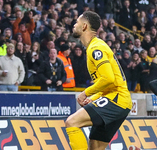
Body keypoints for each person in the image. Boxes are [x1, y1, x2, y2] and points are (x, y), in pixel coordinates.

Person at [65, 11, 132, 150]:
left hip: (117, 99)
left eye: (77, 22)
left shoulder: (96, 48)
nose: (74, 25)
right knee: (95, 148)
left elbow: (108, 78)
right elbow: (107, 82)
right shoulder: (94, 46)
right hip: (118, 100)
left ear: (84, 26)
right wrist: (94, 97)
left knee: (72, 122)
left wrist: (86, 93)